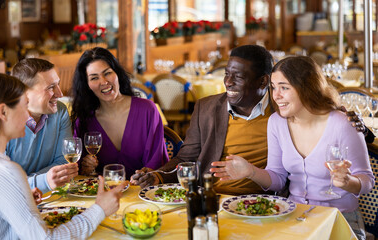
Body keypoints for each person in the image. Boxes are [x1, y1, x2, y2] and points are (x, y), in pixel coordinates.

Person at [131, 45, 374, 196]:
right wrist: (158, 176)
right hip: (212, 197)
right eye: (227, 74)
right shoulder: (207, 108)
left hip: (266, 201)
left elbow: (328, 125)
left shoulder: (283, 111)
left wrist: (361, 127)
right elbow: (186, 159)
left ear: (262, 82)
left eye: (238, 77)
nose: (228, 82)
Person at [210, 56, 374, 239]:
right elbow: (278, 178)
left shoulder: (342, 123)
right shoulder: (276, 123)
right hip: (294, 216)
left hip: (340, 219)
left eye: (284, 87)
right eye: (273, 87)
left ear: (306, 88)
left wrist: (348, 182)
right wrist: (250, 171)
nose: (276, 95)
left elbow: (367, 181)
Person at [0, 73, 127, 239]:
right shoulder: (7, 171)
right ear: (3, 112)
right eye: (24, 105)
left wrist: (23, 202)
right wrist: (100, 209)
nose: (28, 115)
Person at [71, 47, 168, 178]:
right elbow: (78, 171)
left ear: (117, 73)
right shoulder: (84, 121)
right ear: (86, 84)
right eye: (94, 78)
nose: (104, 82)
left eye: (107, 73)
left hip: (143, 193)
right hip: (102, 194)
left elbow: (156, 162)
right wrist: (86, 168)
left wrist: (146, 177)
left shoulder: (147, 110)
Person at [6, 58, 78, 193]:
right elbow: (3, 186)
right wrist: (44, 180)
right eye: (51, 87)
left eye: (58, 84)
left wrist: (32, 181)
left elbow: (63, 163)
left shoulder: (60, 111)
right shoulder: (1, 122)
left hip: (51, 196)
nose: (60, 94)